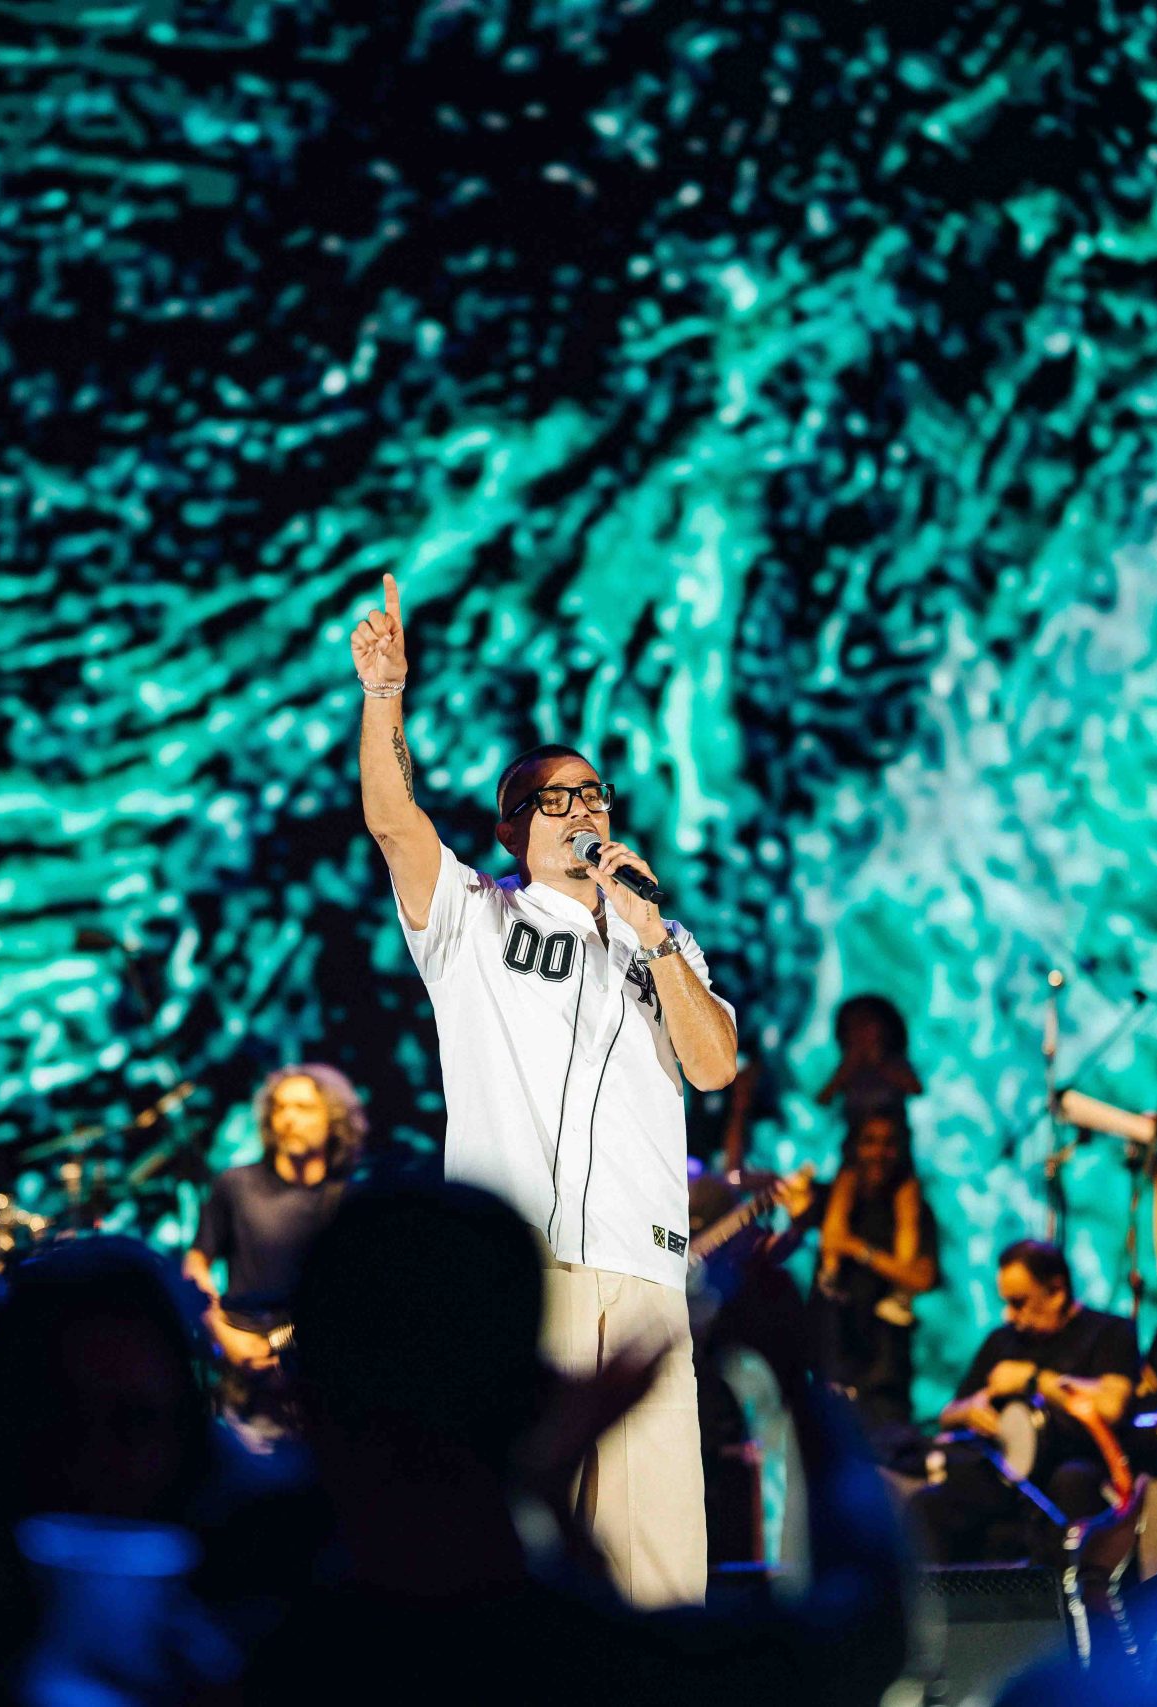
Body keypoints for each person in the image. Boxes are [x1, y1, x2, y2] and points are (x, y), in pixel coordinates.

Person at [350, 573, 739, 1608]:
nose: (583, 810)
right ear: (513, 827)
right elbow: (394, 823)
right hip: (525, 1270)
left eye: (594, 794)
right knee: (520, 1554)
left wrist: (653, 935)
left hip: (645, 1270)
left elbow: (713, 1065)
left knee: (661, 1571)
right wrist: (384, 696)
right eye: (555, 799)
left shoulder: (662, 942)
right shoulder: (475, 918)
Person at [248, 1179, 907, 1706]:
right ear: (540, 1393)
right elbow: (865, 1626)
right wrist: (794, 1380)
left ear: (304, 1402)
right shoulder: (614, 1665)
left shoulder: (248, 1655)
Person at [910, 1238, 1139, 1563]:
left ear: (1056, 1292)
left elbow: (1111, 1406)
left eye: (1019, 1302)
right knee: (928, 1505)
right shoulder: (1002, 1340)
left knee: (1072, 1482)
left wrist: (1033, 1379)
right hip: (1006, 1471)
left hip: (1072, 1463)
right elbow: (949, 1413)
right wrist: (971, 1411)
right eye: (1006, 1302)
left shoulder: (1109, 1332)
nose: (1010, 1313)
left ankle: (1068, 1590)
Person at [183, 1064, 364, 1376]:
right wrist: (222, 1332)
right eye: (279, 1108)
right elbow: (196, 1264)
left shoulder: (352, 1199)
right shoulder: (235, 1185)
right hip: (242, 1355)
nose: (288, 1118)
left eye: (304, 1108)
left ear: (333, 1120)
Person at [814, 1112, 939, 1432]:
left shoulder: (914, 1208)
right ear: (854, 1147)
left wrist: (859, 1250)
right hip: (833, 1352)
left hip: (884, 1368)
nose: (879, 1153)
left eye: (888, 1143)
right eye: (869, 1142)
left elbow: (922, 1277)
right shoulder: (832, 1198)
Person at [817, 995, 922, 1140]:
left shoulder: (896, 1063)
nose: (860, 1033)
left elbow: (916, 1090)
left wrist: (881, 1063)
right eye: (853, 1027)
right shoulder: (846, 1066)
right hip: (855, 1135)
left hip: (893, 1134)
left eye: (866, 1024)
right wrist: (848, 1067)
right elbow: (823, 1100)